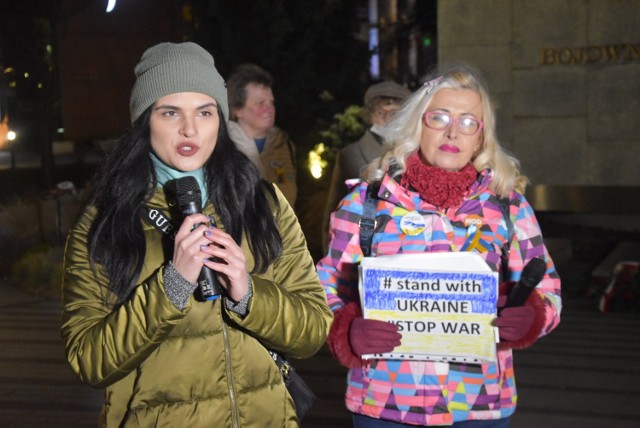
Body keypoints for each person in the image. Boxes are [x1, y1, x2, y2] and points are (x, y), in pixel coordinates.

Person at [60, 42, 332, 427]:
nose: (190, 129)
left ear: (220, 120)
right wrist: (170, 287)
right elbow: (89, 361)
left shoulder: (261, 202)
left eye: (204, 112)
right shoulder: (103, 222)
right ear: (144, 121)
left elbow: (312, 332)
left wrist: (248, 294)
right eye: (170, 112)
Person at [317, 64, 562, 427]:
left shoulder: (509, 207)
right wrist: (345, 329)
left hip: (479, 407)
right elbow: (323, 287)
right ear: (418, 124)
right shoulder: (365, 204)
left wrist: (532, 317)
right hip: (385, 406)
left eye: (468, 122)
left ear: (481, 137)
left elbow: (549, 290)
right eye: (440, 117)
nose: (452, 131)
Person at [322, 81, 411, 252]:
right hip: (359, 244)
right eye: (380, 112)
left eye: (395, 113)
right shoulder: (351, 153)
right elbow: (334, 207)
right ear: (369, 115)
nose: (387, 119)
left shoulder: (415, 153)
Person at [226, 63, 298, 207]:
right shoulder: (222, 148)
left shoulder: (283, 145)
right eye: (260, 103)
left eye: (271, 102)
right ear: (237, 109)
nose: (269, 109)